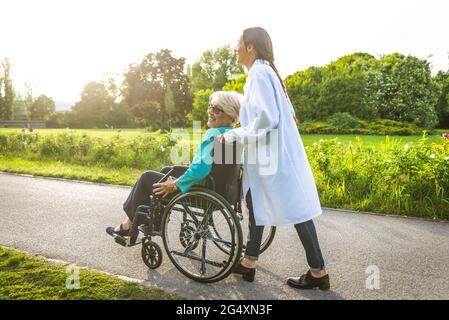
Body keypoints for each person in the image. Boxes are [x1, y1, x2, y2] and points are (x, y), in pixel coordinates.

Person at [220, 27, 330, 290]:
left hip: (273, 158)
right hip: (274, 155)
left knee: (297, 210)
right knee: (257, 201)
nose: (235, 48)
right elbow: (284, 116)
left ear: (250, 47)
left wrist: (234, 135)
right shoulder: (266, 72)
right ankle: (249, 261)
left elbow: (268, 118)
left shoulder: (259, 74)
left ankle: (318, 271)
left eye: (239, 43)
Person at [106, 91, 242, 237]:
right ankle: (154, 220)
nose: (210, 111)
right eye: (210, 106)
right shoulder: (235, 136)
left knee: (146, 177)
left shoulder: (214, 135)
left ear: (230, 116)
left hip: (201, 189)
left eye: (216, 110)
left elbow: (200, 170)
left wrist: (176, 184)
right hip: (224, 191)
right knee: (166, 170)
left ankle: (128, 225)